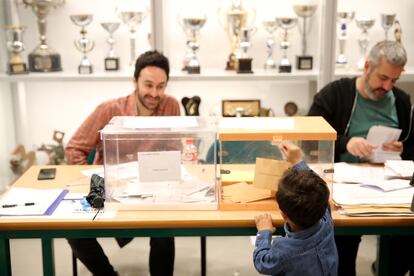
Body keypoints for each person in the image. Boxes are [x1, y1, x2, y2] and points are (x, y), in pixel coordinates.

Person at [65, 50, 179, 276]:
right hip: (112, 190)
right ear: (134, 81)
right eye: (148, 85)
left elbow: (174, 151)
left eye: (161, 86)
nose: (155, 93)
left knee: (166, 230)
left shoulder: (171, 106)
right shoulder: (109, 109)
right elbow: (74, 148)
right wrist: (95, 178)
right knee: (72, 230)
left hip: (152, 190)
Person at [308, 40, 414, 276]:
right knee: (343, 243)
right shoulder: (334, 94)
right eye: (383, 78)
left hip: (392, 185)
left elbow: (411, 145)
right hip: (342, 185)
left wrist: (402, 148)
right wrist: (347, 142)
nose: (387, 87)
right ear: (367, 66)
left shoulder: (402, 102)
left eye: (394, 80)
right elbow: (309, 139)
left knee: (405, 238)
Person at [253, 143, 338, 276]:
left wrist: (264, 233)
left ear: (283, 214)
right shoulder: (326, 221)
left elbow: (262, 262)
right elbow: (318, 188)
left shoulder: (284, 250)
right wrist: (297, 161)